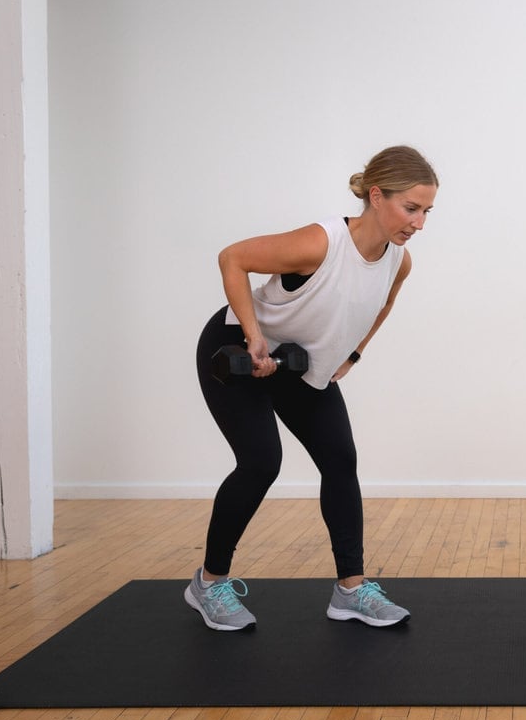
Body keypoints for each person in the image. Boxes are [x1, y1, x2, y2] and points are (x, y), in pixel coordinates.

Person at [184, 145, 438, 631]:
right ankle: (209, 582)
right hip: (237, 351)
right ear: (377, 196)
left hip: (299, 365)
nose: (420, 223)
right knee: (261, 463)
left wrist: (354, 353)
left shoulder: (398, 262)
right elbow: (232, 258)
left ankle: (350, 591)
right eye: (412, 208)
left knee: (340, 460)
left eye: (427, 211)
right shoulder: (321, 243)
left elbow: (382, 306)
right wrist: (254, 337)